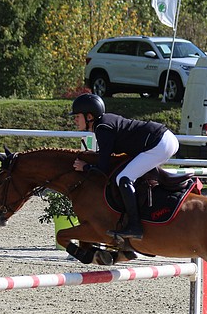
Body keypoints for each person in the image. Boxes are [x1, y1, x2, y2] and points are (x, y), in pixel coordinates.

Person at [70, 93, 179, 241]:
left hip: (159, 144)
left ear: (89, 116)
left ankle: (135, 226)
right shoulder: (104, 122)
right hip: (164, 139)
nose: (75, 120)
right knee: (129, 173)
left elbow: (103, 168)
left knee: (124, 178)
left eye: (77, 116)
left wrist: (85, 167)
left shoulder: (102, 127)